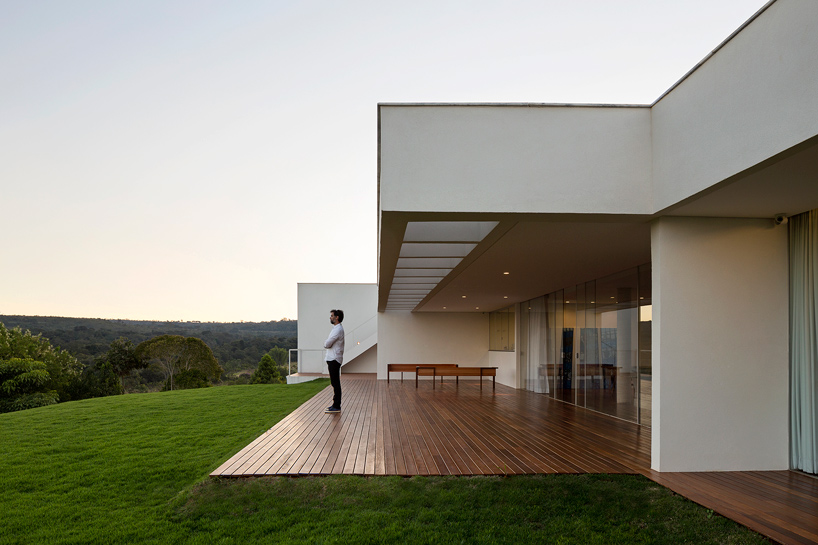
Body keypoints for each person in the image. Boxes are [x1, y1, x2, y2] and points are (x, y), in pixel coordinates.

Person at [323, 309, 345, 414]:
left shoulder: (337, 330)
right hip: (332, 359)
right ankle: (335, 405)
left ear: (337, 317)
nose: (330, 317)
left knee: (335, 382)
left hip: (334, 359)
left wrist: (325, 343)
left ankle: (336, 405)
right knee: (334, 382)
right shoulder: (336, 329)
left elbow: (327, 344)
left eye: (332, 316)